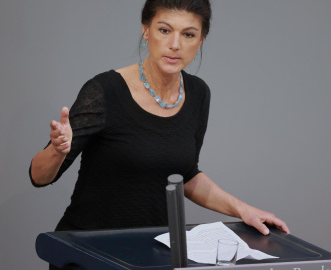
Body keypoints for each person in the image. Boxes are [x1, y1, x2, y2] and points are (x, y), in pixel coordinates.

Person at [30, 1, 289, 268]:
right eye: (165, 30)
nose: (175, 44)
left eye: (188, 34)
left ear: (200, 40)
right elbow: (39, 176)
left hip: (152, 255)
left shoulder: (198, 93)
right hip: (91, 252)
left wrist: (243, 210)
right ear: (146, 30)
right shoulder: (105, 91)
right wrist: (57, 151)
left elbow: (186, 175)